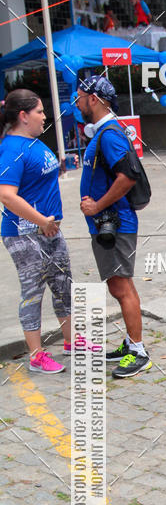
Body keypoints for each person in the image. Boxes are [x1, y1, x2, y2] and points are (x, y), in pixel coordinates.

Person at [76, 75, 151, 379]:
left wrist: (98, 205)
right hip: (109, 223)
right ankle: (130, 344)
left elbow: (128, 175)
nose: (78, 103)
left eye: (80, 97)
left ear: (94, 99)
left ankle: (138, 351)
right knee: (117, 284)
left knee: (122, 286)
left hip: (116, 222)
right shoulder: (103, 133)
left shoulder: (109, 134)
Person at [0, 89, 78, 373]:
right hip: (24, 233)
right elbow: (6, 195)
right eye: (40, 112)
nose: (45, 116)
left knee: (64, 287)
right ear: (23, 116)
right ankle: (36, 356)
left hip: (49, 231)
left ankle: (72, 342)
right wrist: (41, 220)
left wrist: (50, 223)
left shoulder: (33, 142)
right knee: (33, 293)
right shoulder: (11, 148)